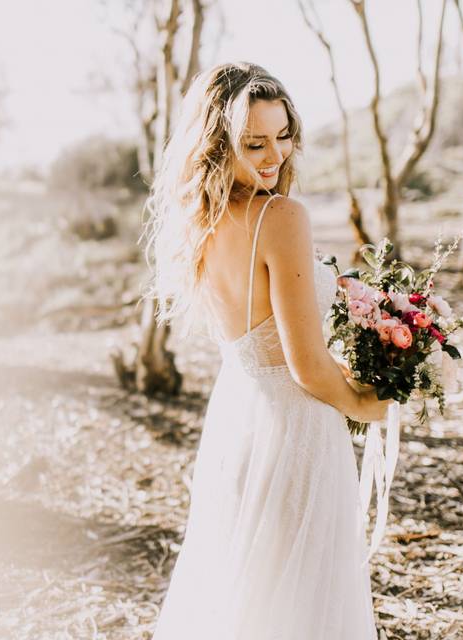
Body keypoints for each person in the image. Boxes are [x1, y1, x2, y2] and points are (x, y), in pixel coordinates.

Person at [142, 61, 391, 639]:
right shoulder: (280, 217)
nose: (274, 156)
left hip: (239, 420)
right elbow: (305, 366)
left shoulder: (199, 226)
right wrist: (365, 404)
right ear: (216, 143)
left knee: (245, 592)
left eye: (282, 136)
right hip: (296, 430)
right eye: (254, 142)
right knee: (303, 603)